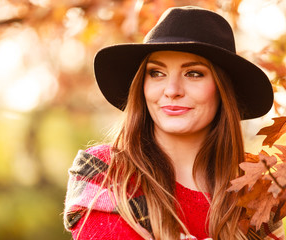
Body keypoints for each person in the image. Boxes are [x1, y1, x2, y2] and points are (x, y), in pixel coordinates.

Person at [63, 6, 284, 240]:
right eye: (157, 73)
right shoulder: (108, 173)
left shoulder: (253, 195)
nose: (172, 90)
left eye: (194, 73)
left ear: (222, 90)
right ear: (142, 86)